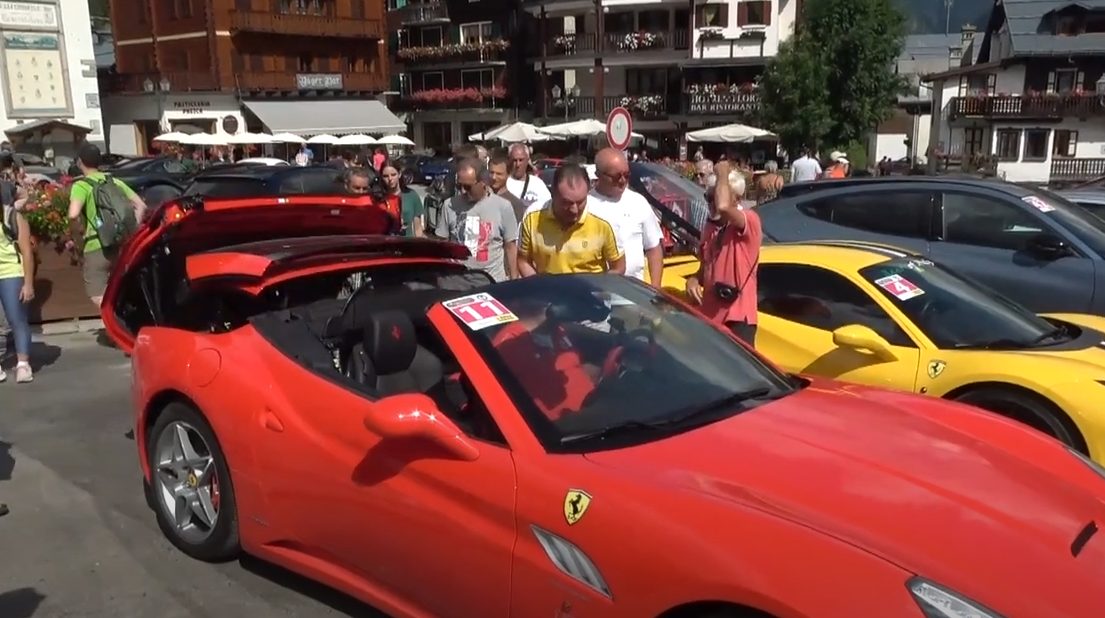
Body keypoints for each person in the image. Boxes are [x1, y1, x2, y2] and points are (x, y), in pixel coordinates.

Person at [684, 160, 762, 346]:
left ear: (737, 199)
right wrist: (694, 279)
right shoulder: (710, 227)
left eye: (715, 197)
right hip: (710, 316)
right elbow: (706, 268)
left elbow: (724, 207)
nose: (712, 203)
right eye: (708, 197)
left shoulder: (749, 220)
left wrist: (722, 173)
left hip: (737, 319)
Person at [67, 144, 147, 307]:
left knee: (97, 294)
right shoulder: (114, 181)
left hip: (96, 245)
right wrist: (131, 229)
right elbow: (141, 206)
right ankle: (124, 319)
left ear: (80, 162)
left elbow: (73, 214)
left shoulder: (81, 186)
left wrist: (77, 237)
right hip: (119, 244)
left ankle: (118, 323)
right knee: (118, 288)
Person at [518, 164, 624, 276]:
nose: (574, 210)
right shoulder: (533, 217)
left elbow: (618, 267)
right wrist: (539, 287)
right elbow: (523, 260)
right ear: (553, 193)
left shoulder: (604, 220)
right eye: (567, 203)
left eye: (580, 202)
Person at [588, 148, 663, 286]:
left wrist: (656, 288)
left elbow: (653, 248)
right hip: (597, 292)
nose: (623, 180)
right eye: (616, 176)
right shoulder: (585, 205)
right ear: (598, 174)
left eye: (626, 175)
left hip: (634, 292)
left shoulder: (638, 202)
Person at [435, 158, 518, 282]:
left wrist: (514, 280)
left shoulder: (503, 206)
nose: (463, 191)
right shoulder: (449, 205)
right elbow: (442, 246)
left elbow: (510, 247)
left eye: (468, 187)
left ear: (483, 182)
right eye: (460, 185)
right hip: (458, 281)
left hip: (491, 281)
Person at [0, 153, 34, 383]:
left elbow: (26, 251)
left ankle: (23, 364)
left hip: (11, 272)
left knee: (16, 318)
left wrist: (29, 283)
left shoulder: (13, 216)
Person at [380, 163, 424, 237]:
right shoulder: (379, 198)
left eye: (393, 175)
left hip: (406, 244)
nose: (390, 179)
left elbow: (418, 228)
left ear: (399, 174)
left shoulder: (411, 195)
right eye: (386, 176)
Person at [506, 143, 551, 208]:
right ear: (509, 160)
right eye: (514, 160)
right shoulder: (505, 183)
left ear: (527, 160)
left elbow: (548, 206)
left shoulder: (537, 184)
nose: (518, 164)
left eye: (521, 160)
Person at [488, 154, 527, 225]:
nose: (494, 177)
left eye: (499, 174)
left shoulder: (515, 204)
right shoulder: (481, 198)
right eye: (491, 173)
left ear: (508, 174)